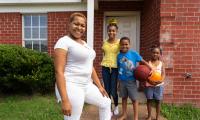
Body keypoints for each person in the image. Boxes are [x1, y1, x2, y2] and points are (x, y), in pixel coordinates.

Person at [54, 12, 111, 120]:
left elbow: (90, 65)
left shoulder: (84, 44)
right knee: (74, 118)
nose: (79, 27)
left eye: (82, 25)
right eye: (76, 24)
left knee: (106, 103)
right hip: (71, 85)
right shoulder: (63, 42)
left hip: (87, 85)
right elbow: (59, 72)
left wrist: (99, 86)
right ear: (69, 24)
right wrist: (65, 100)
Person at [117, 37, 152, 120]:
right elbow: (119, 68)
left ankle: (136, 117)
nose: (124, 46)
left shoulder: (133, 53)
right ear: (120, 45)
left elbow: (142, 61)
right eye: (122, 44)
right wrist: (118, 81)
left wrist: (150, 67)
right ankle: (124, 114)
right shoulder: (118, 56)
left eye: (126, 44)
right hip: (122, 80)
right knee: (124, 98)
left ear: (130, 45)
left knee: (134, 99)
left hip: (131, 81)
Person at [101, 18, 120, 115]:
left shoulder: (119, 42)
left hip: (115, 68)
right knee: (107, 90)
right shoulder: (104, 42)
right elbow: (104, 53)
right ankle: (109, 109)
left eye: (113, 30)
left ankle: (116, 106)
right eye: (109, 30)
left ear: (116, 31)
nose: (111, 32)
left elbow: (122, 55)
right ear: (107, 31)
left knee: (113, 90)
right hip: (105, 67)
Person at [144, 45, 165, 120]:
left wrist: (161, 80)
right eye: (153, 52)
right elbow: (145, 74)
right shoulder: (147, 63)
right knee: (149, 100)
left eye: (157, 53)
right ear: (151, 53)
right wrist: (149, 80)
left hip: (159, 85)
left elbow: (163, 73)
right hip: (149, 85)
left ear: (160, 54)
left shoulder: (161, 63)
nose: (155, 54)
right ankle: (149, 116)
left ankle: (157, 117)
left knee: (158, 101)